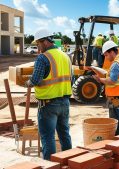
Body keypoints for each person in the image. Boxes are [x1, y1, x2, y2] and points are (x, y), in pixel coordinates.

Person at [25, 29, 72, 160]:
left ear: (45, 42)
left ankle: (51, 165)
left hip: (48, 105)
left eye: (38, 44)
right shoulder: (65, 56)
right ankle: (70, 162)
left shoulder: (43, 57)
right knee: (64, 135)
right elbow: (71, 79)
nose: (37, 47)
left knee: (48, 138)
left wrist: (27, 83)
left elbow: (35, 80)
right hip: (65, 102)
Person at [92, 41, 119, 135]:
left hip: (115, 97)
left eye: (106, 55)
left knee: (115, 121)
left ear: (112, 52)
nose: (106, 57)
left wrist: (99, 79)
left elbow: (112, 81)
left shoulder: (116, 64)